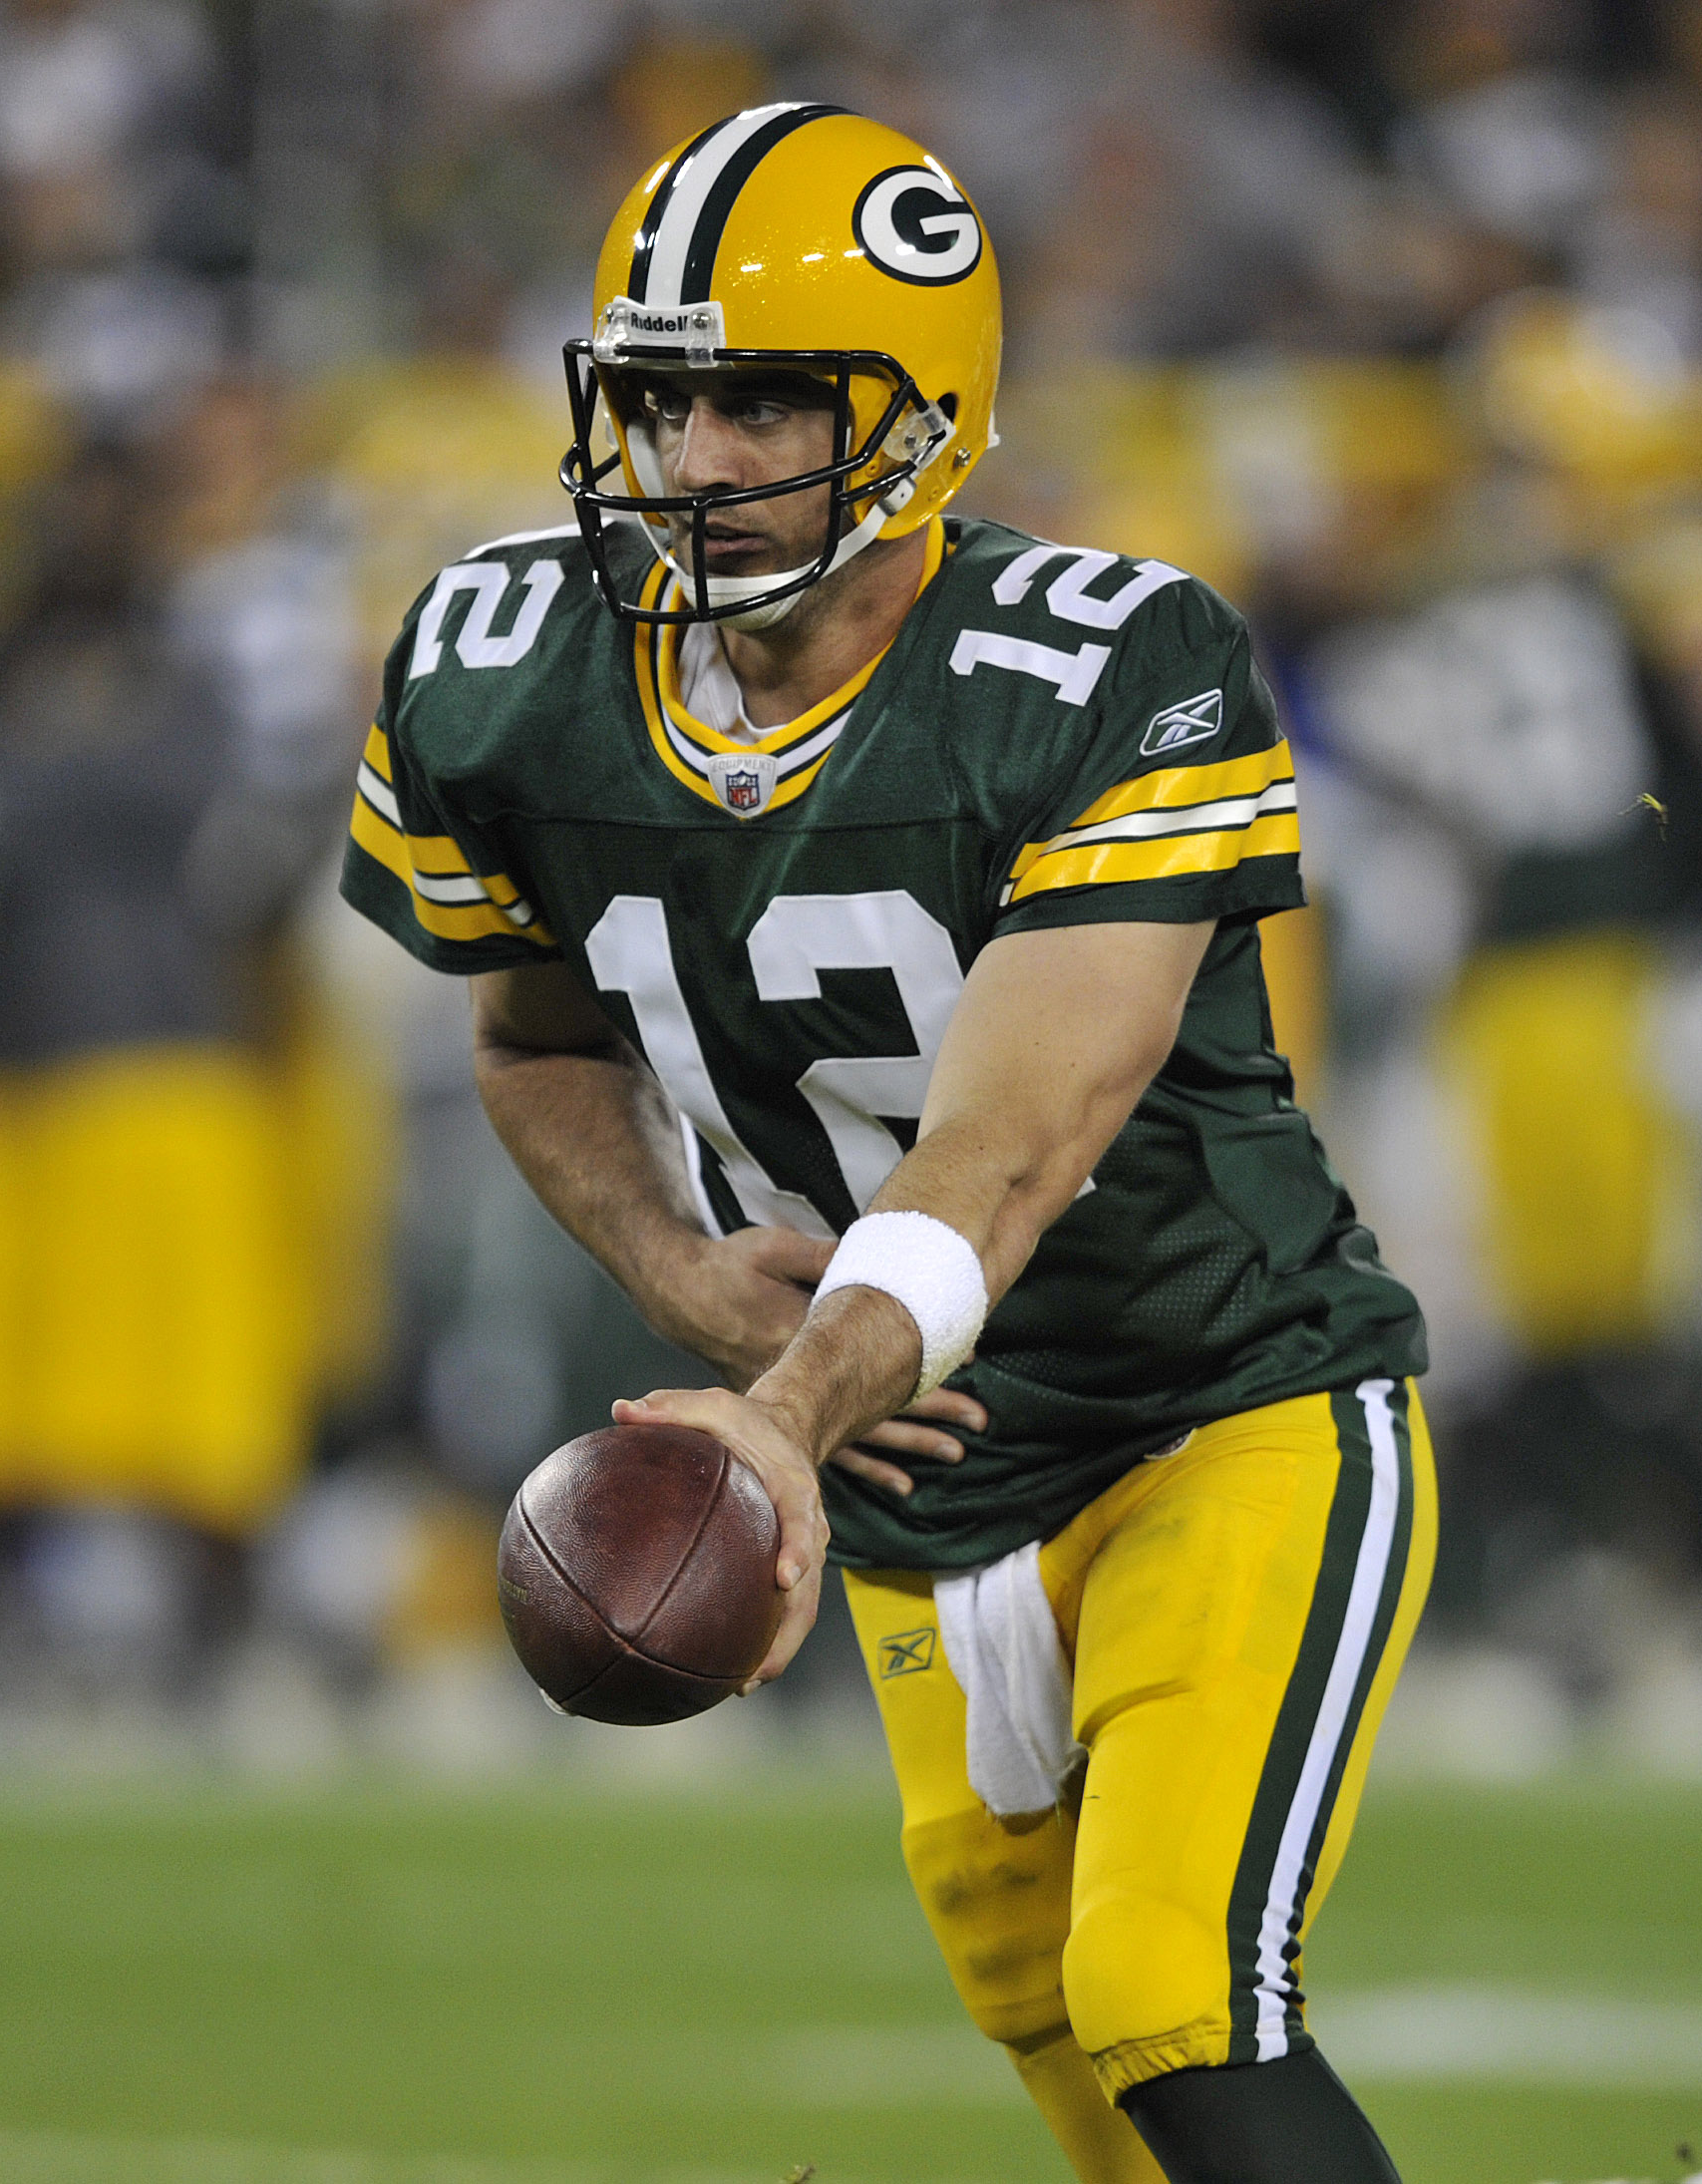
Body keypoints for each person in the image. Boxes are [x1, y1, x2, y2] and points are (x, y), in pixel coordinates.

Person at [340, 104, 1434, 2184]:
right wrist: (677, 1270)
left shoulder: (1111, 669)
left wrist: (777, 1419)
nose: (702, 457)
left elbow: (1006, 1158)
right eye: (660, 399)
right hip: (926, 1479)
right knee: (1057, 2041)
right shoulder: (508, 673)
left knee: (1174, 1998)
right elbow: (534, 1035)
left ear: (923, 411)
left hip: (1221, 1401)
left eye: (764, 399)